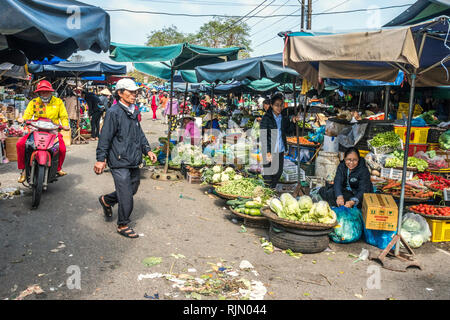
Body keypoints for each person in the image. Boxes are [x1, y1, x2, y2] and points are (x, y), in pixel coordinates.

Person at [94, 78, 157, 239]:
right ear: (120, 93)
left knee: (133, 188)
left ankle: (107, 200)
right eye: (130, 91)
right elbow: (105, 137)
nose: (134, 94)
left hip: (133, 158)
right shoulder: (113, 112)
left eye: (135, 92)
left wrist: (147, 150)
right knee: (126, 193)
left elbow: (139, 133)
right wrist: (101, 159)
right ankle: (123, 224)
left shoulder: (133, 110)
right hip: (119, 159)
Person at [16, 80, 70, 182]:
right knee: (20, 144)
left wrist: (65, 125)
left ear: (51, 91)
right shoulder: (34, 102)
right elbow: (27, 114)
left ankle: (58, 168)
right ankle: (23, 169)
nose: (44, 93)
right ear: (39, 92)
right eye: (42, 91)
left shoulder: (58, 102)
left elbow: (63, 116)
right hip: (36, 130)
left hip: (53, 131)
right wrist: (23, 119)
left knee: (61, 149)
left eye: (46, 91)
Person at [260, 93, 300, 188]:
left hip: (280, 150)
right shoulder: (266, 118)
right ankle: (267, 192)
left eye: (281, 105)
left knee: (278, 172)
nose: (279, 107)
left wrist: (293, 122)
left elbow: (289, 131)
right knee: (268, 174)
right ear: (272, 105)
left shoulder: (284, 118)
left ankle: (271, 189)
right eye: (276, 105)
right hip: (270, 150)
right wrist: (267, 152)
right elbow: (263, 136)